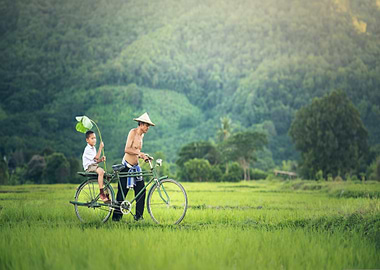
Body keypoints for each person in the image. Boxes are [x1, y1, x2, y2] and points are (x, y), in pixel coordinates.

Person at [112, 112, 155, 221]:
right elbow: (127, 149)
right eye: (146, 125)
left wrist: (144, 156)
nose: (148, 128)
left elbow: (137, 151)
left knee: (141, 191)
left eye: (148, 126)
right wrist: (140, 154)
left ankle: (139, 217)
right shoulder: (133, 132)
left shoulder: (142, 135)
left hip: (136, 167)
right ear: (141, 124)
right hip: (126, 167)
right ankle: (116, 219)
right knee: (122, 193)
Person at [82, 130, 109, 202]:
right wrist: (100, 148)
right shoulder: (88, 149)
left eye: (95, 138)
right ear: (87, 140)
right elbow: (96, 157)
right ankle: (101, 193)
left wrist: (101, 160)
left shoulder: (93, 148)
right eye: (92, 138)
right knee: (101, 172)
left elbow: (96, 160)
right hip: (89, 167)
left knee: (107, 175)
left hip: (93, 165)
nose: (94, 140)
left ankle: (107, 193)